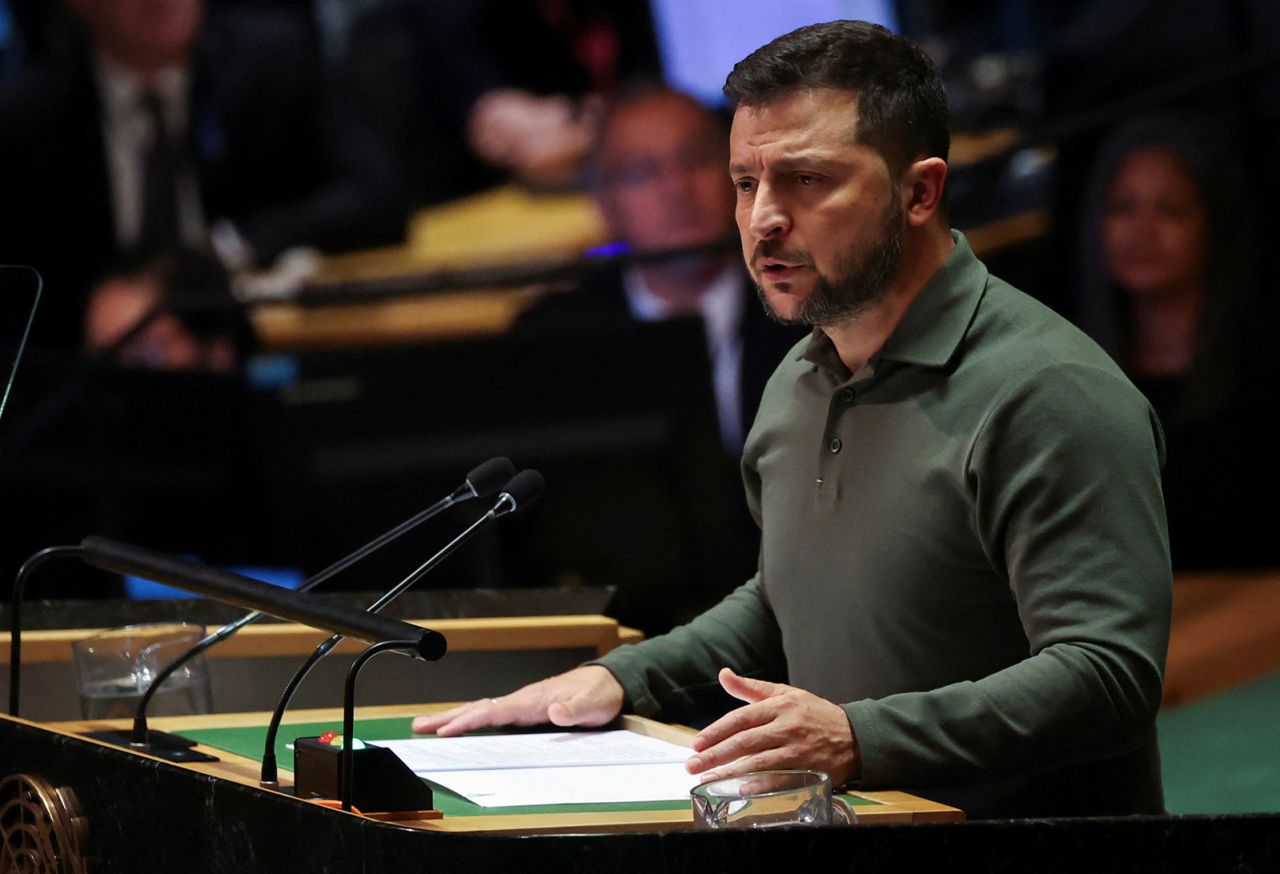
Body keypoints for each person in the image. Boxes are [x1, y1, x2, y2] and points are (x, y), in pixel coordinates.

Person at [415, 20, 1171, 819]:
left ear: (920, 191)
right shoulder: (799, 378)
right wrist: (619, 678)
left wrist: (859, 737)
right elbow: (786, 597)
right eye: (746, 183)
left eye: (807, 181)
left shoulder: (1049, 390)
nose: (763, 219)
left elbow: (1107, 675)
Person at [0, 0, 406, 351]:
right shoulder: (30, 117)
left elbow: (377, 193)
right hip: (97, 379)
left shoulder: (274, 57)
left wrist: (232, 248)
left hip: (257, 349)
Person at [517, 84, 806, 456]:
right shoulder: (557, 338)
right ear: (604, 204)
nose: (676, 187)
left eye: (695, 159)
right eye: (642, 172)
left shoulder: (814, 313)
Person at [1074, 114, 1276, 570]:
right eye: (1123, 208)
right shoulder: (1073, 378)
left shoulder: (1262, 367)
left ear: (1215, 219)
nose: (1142, 231)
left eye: (1171, 209)